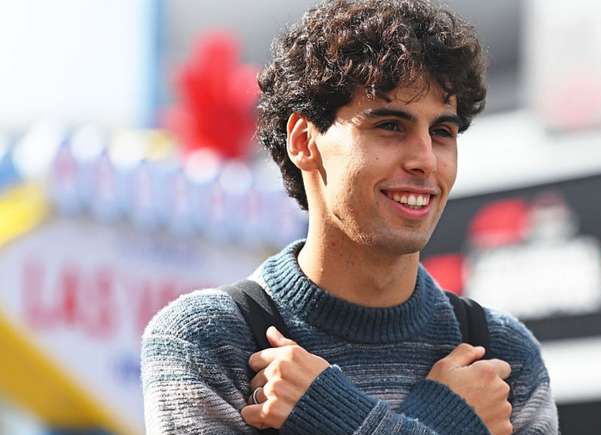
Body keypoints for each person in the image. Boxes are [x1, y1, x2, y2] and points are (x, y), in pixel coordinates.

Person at [140, 0, 559, 434]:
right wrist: (449, 418)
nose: (425, 160)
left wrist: (328, 411)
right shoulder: (208, 339)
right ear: (304, 141)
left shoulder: (503, 353)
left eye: (441, 132)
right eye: (390, 125)